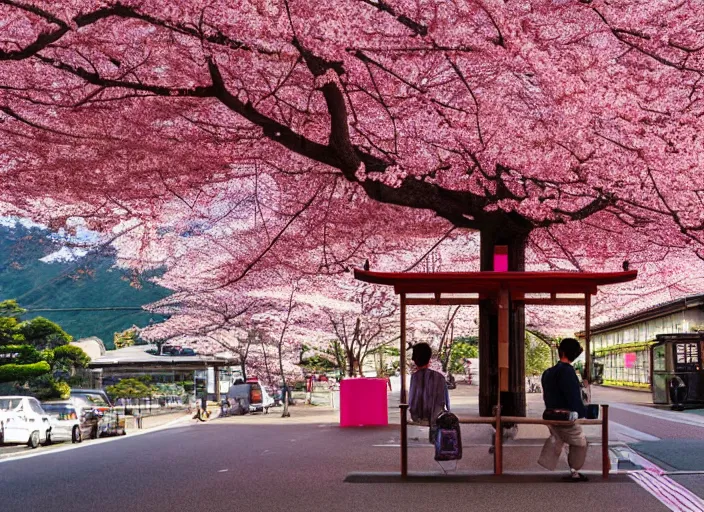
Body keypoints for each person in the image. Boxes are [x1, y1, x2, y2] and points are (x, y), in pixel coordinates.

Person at [538, 338, 589, 481]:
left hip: (550, 414)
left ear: (561, 352)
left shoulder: (547, 373)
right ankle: (575, 471)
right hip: (566, 416)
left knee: (559, 438)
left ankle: (548, 462)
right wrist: (583, 412)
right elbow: (573, 398)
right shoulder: (568, 372)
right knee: (580, 442)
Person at [408, 343, 449, 443]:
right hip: (437, 415)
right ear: (429, 358)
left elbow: (412, 400)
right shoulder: (440, 377)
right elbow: (446, 400)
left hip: (418, 415)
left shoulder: (415, 377)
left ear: (415, 360)